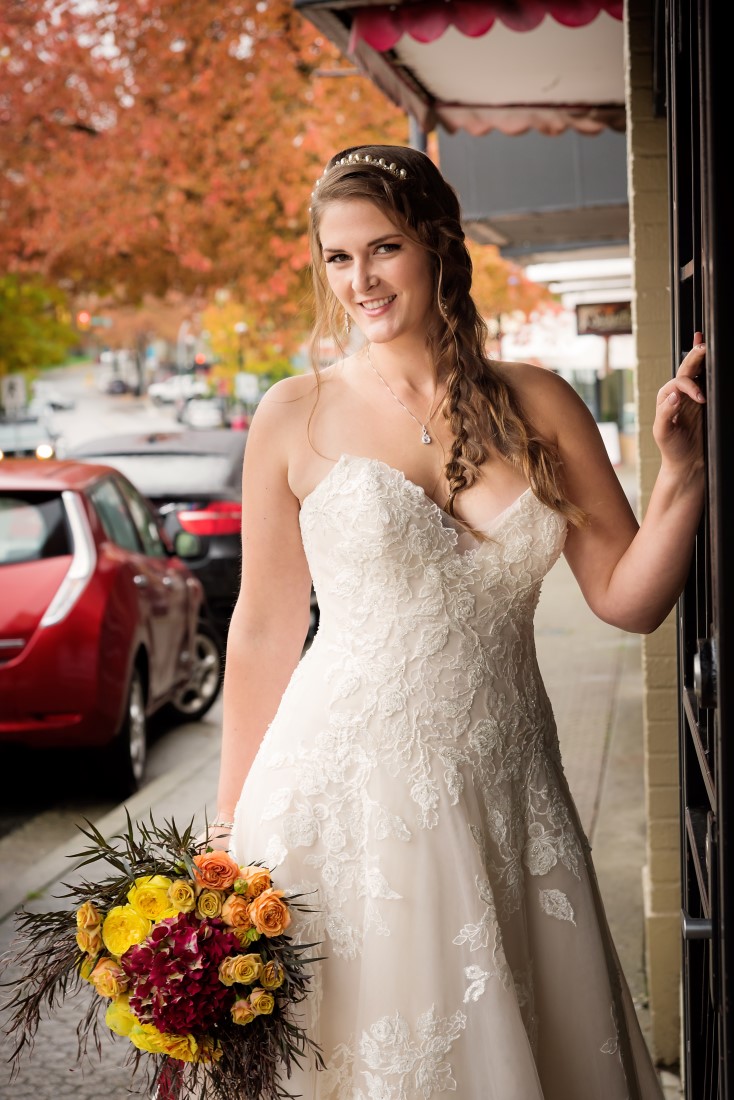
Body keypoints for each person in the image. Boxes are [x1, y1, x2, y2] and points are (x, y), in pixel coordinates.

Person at [209, 145, 706, 1099]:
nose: (360, 280)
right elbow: (265, 630)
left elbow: (629, 598)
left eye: (383, 248)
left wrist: (683, 476)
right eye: (337, 257)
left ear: (438, 245)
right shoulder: (293, 415)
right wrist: (224, 837)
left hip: (509, 792)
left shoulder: (542, 403)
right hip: (339, 798)